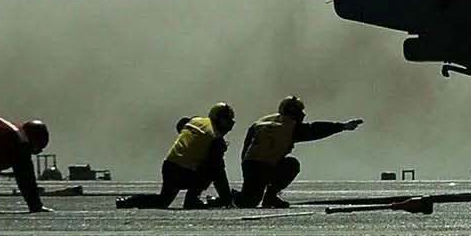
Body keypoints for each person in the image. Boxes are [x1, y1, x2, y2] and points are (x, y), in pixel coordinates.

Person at [235, 96, 363, 208]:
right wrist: (342, 126)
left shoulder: (259, 123)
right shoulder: (291, 126)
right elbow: (315, 129)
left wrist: (246, 171)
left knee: (249, 201)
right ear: (294, 112)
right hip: (267, 166)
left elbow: (246, 148)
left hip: (251, 166)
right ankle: (270, 196)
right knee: (291, 164)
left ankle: (231, 196)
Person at [117, 104, 237, 209]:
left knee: (163, 201)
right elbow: (219, 173)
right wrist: (227, 199)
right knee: (213, 168)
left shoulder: (195, 121)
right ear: (216, 118)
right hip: (185, 172)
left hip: (169, 166)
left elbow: (181, 124)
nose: (227, 126)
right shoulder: (215, 139)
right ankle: (192, 199)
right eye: (225, 121)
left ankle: (128, 201)